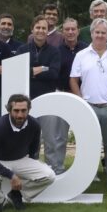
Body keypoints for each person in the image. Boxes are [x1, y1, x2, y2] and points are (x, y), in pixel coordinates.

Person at [70, 18, 107, 189]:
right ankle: (90, 175)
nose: (100, 35)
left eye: (103, 33)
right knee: (89, 144)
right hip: (89, 107)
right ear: (91, 34)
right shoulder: (81, 55)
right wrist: (81, 100)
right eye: (97, 32)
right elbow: (73, 80)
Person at [0, 94, 57, 212]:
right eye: (16, 111)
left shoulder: (34, 124)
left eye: (23, 110)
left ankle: (17, 194)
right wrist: (12, 175)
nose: (20, 115)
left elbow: (33, 150)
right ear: (9, 110)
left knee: (49, 176)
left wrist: (31, 164)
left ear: (29, 110)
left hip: (21, 160)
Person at [16, 15, 61, 168]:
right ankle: (31, 172)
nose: (41, 31)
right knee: (28, 141)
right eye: (38, 27)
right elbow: (18, 72)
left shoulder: (54, 51)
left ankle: (54, 170)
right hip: (27, 102)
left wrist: (32, 72)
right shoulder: (22, 50)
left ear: (48, 31)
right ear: (32, 30)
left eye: (44, 28)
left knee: (50, 140)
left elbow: (54, 74)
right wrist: (41, 69)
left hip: (48, 100)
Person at [48, 18, 87, 174]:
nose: (70, 32)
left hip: (83, 97)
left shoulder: (86, 49)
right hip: (62, 95)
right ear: (62, 32)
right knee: (60, 136)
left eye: (73, 29)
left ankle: (86, 170)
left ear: (78, 30)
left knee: (84, 135)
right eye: (67, 29)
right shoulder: (56, 50)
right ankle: (58, 167)